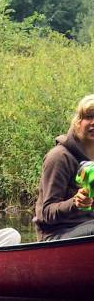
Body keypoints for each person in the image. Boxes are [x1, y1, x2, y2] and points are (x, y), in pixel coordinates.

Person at [34, 94, 94, 241]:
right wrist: (75, 203)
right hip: (56, 235)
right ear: (78, 122)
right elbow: (47, 213)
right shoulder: (59, 157)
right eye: (89, 116)